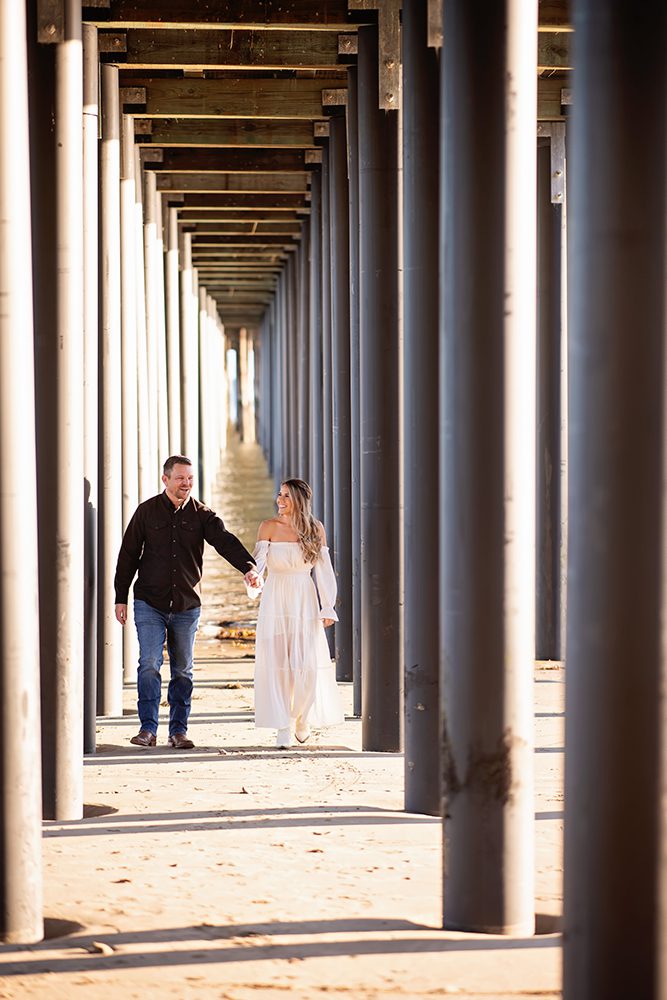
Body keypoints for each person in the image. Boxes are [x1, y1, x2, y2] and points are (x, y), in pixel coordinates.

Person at [114, 455, 260, 749]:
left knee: (182, 670)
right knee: (149, 663)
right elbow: (128, 554)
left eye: (190, 478)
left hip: (186, 605)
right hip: (149, 602)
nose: (186, 484)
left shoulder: (202, 514)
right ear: (165, 479)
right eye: (180, 478)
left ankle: (178, 731)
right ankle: (148, 730)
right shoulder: (146, 512)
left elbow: (224, 541)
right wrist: (121, 597)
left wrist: (249, 567)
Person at [250, 478, 344, 749]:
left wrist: (328, 605)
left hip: (304, 598)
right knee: (278, 664)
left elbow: (324, 570)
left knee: (306, 665)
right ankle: (281, 725)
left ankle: (302, 717)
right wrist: (254, 580)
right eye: (279, 495)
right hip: (275, 598)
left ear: (299, 501)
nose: (280, 500)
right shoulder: (268, 527)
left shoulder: (315, 529)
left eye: (286, 496)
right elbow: (258, 564)